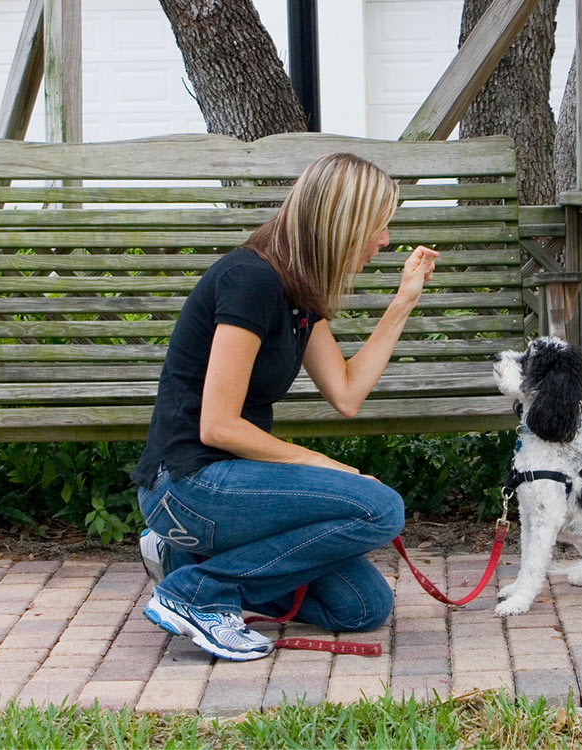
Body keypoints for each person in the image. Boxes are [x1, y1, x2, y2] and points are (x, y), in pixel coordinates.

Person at [131, 152, 439, 661]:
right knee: (380, 508)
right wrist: (323, 463)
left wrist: (404, 299)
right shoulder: (250, 279)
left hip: (232, 485)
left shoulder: (299, 291)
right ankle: (197, 594)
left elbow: (346, 393)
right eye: (379, 227)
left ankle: (183, 556)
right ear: (345, 224)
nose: (384, 241)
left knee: (363, 606)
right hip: (187, 484)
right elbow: (218, 425)